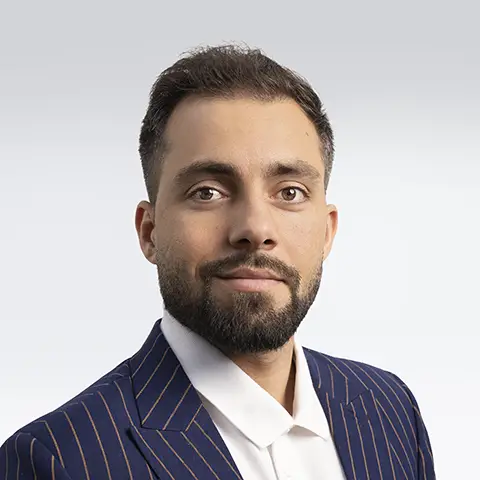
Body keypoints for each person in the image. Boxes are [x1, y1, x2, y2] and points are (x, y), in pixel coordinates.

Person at [0, 44, 435, 479]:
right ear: (150, 232)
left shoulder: (390, 410)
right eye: (207, 192)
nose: (255, 228)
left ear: (327, 231)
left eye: (290, 192)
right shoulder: (56, 460)